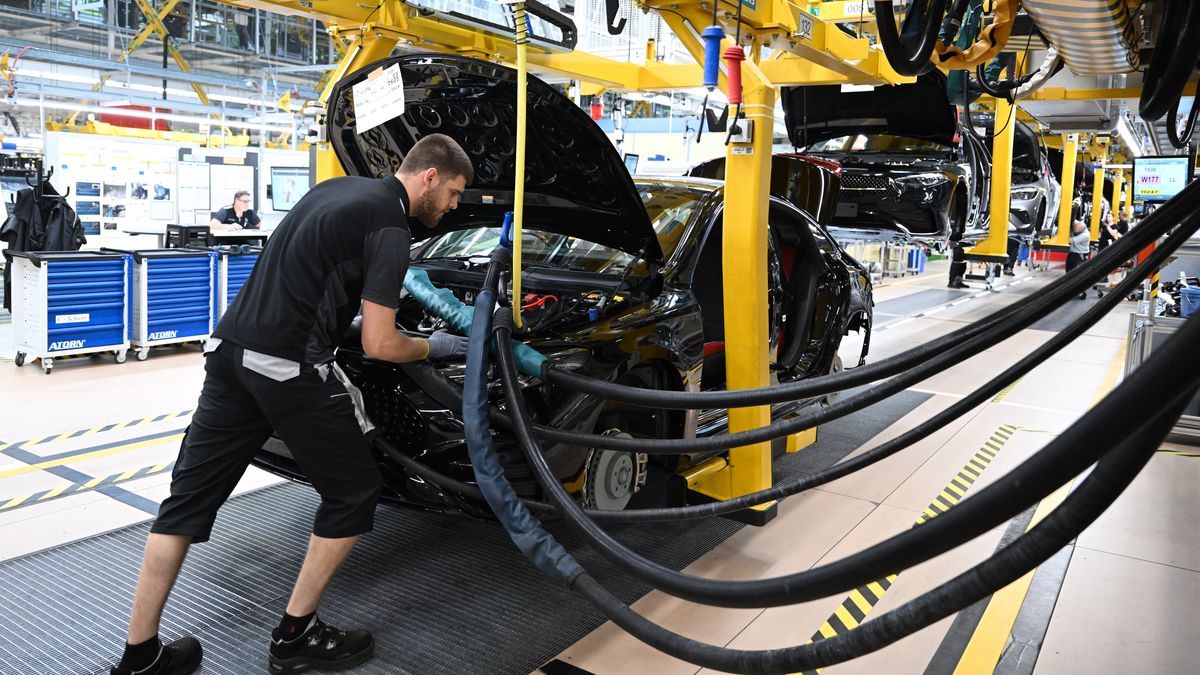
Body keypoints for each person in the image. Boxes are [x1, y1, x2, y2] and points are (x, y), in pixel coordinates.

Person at [109, 133, 475, 675]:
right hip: (287, 367)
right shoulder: (392, 227)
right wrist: (439, 344)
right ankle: (296, 635)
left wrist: (338, 320)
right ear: (429, 176)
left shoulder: (334, 191)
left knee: (184, 504)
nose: (453, 207)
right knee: (354, 490)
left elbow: (305, 276)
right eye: (454, 193)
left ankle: (140, 655)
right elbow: (381, 345)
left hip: (230, 352)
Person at [1067, 219, 1091, 299]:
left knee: (1077, 276)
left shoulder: (1085, 235)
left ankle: (1082, 293)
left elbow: (1071, 240)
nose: (1074, 229)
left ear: (1081, 228)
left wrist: (1062, 234)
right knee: (1069, 274)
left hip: (1079, 256)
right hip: (1072, 254)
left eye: (1075, 228)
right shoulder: (1079, 228)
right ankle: (1071, 291)